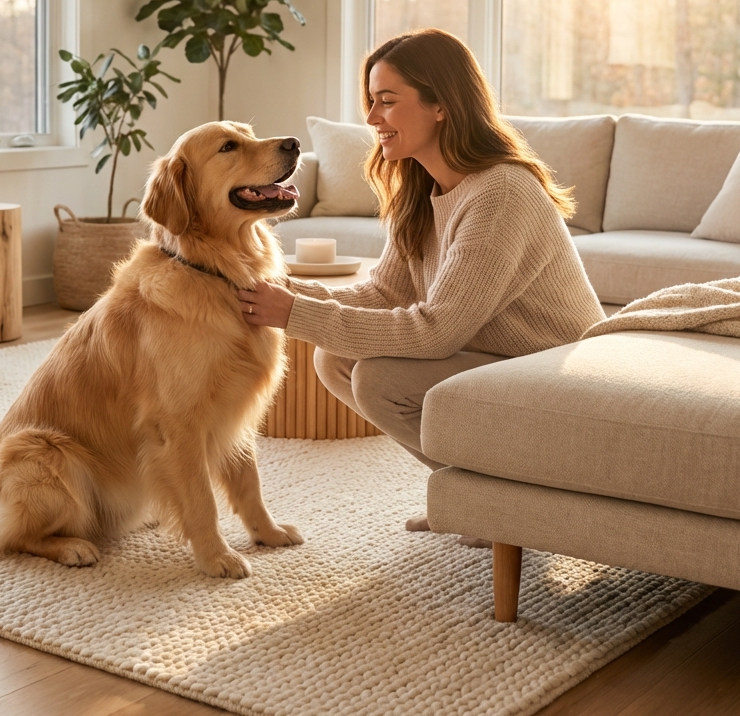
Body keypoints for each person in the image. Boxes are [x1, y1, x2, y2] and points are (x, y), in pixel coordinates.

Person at [237, 28, 604, 545]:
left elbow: (436, 333)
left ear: (441, 105)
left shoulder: (500, 192)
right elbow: (383, 296)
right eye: (370, 102)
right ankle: (468, 491)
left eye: (386, 101)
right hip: (494, 358)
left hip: (553, 374)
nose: (370, 119)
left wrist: (292, 313)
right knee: (334, 358)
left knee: (379, 380)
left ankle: (492, 500)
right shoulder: (424, 190)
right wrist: (278, 293)